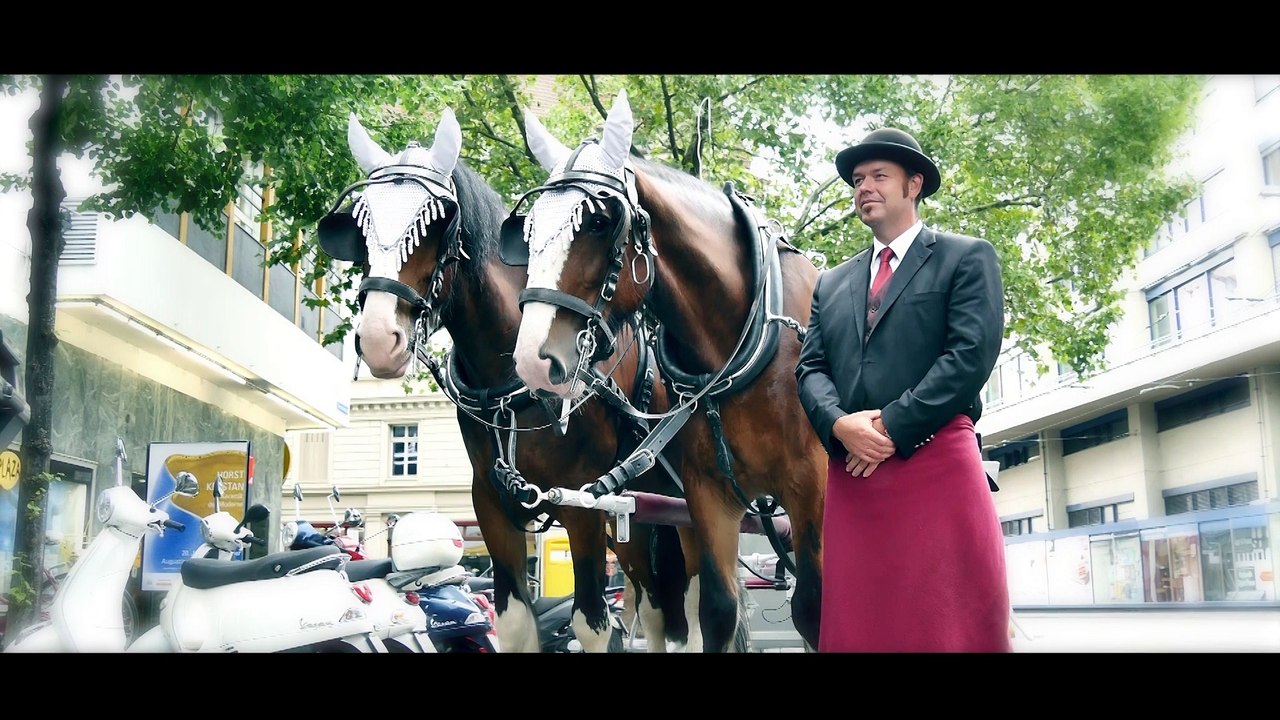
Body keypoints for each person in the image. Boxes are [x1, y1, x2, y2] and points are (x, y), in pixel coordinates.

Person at [795, 127, 1011, 652]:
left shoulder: (965, 258)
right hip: (854, 473)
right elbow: (810, 368)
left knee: (949, 620)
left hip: (936, 463)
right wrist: (840, 425)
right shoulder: (831, 283)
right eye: (857, 179)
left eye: (878, 176)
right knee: (861, 623)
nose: (863, 186)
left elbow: (969, 357)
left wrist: (889, 426)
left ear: (914, 184)